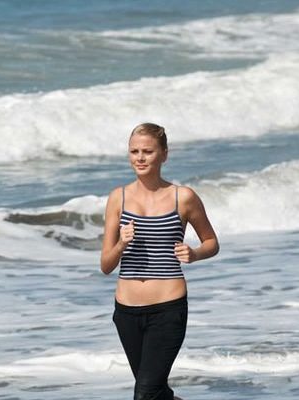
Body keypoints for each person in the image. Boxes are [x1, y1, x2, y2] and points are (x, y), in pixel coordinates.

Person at [100, 122, 219, 400]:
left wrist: (195, 253)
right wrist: (121, 243)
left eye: (148, 151)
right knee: (157, 393)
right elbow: (106, 265)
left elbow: (211, 242)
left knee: (145, 393)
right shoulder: (118, 198)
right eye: (134, 151)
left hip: (167, 309)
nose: (139, 158)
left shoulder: (183, 197)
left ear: (164, 154)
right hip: (126, 312)